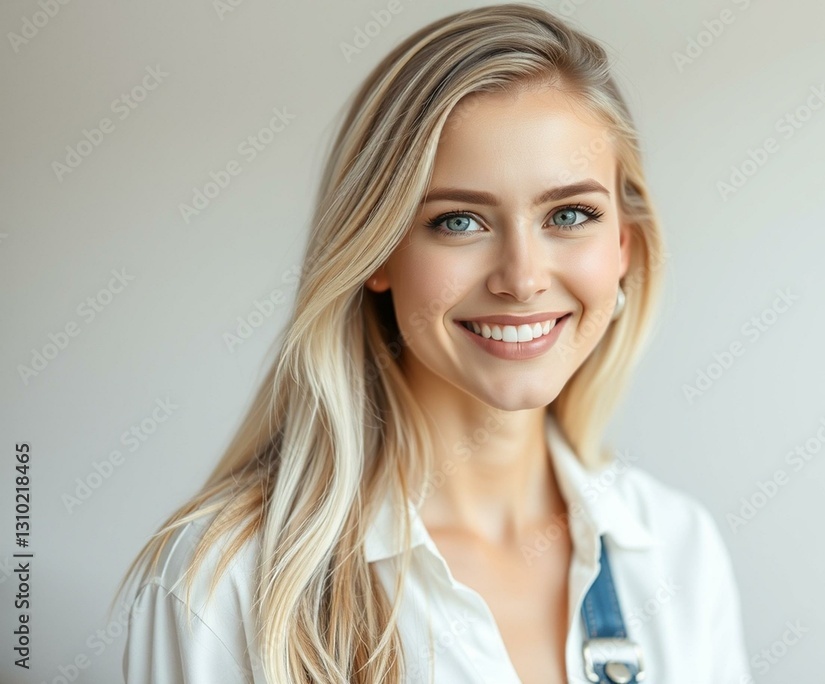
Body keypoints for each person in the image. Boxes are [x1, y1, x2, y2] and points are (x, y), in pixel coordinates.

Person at [116, 3, 752, 683]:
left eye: (569, 214)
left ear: (624, 245)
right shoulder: (227, 584)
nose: (523, 278)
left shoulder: (679, 553)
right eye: (459, 221)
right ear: (377, 253)